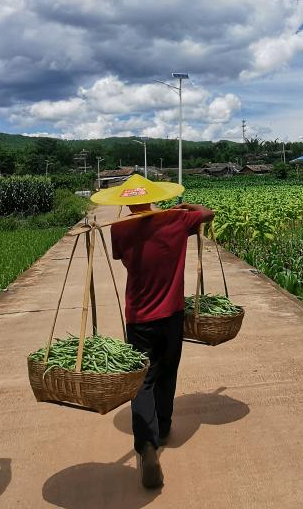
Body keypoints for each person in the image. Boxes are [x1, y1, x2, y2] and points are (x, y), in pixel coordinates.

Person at [91, 174, 214, 489]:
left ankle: (146, 445)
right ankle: (163, 427)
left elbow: (123, 259)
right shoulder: (177, 220)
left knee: (142, 382)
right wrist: (185, 206)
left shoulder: (120, 228)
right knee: (167, 372)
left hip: (139, 319)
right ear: (152, 196)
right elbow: (208, 213)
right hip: (171, 314)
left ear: (126, 201)